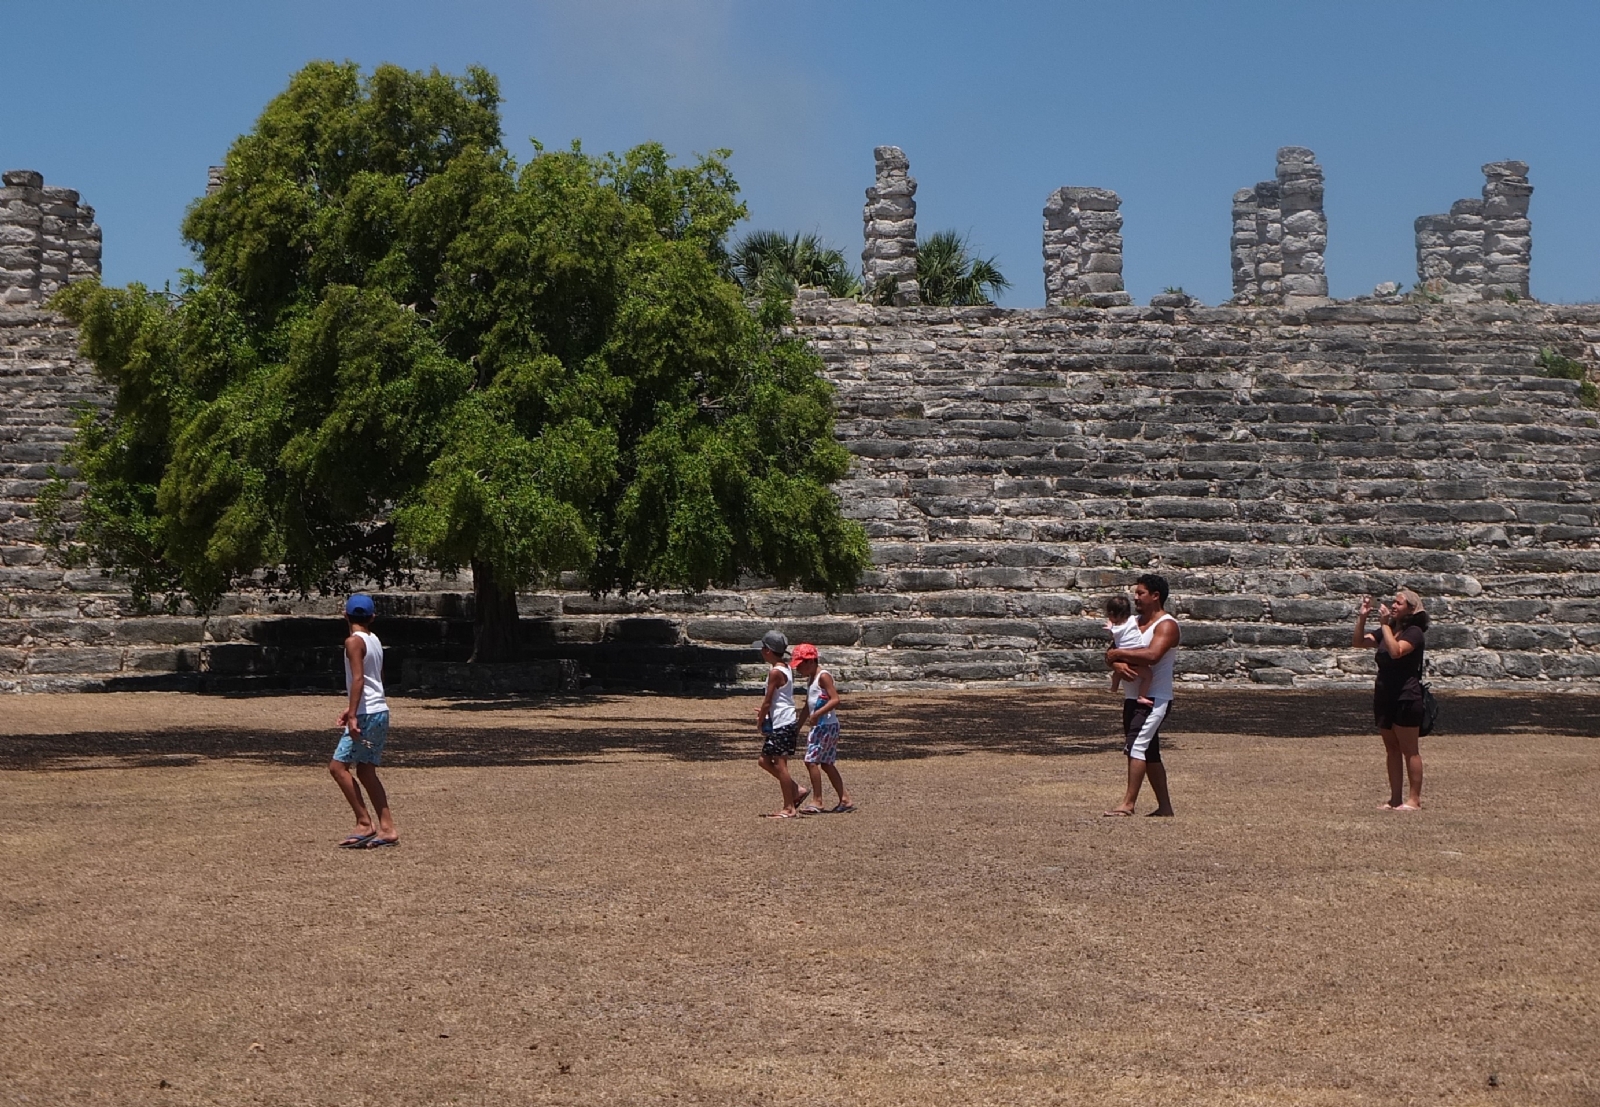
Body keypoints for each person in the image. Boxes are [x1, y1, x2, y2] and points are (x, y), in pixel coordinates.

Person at [1102, 574, 1180, 818]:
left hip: (1154, 698)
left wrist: (1117, 656)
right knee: (1150, 752)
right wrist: (1116, 664)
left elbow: (1152, 655)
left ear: (1155, 596)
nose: (1135, 597)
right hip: (1132, 697)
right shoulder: (1132, 622)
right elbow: (1111, 653)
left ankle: (1128, 804)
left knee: (1136, 746)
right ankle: (1165, 808)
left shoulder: (1167, 625)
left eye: (1140, 593)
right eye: (1135, 593)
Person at [330, 593, 398, 848]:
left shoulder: (352, 642)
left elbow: (359, 679)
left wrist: (354, 714)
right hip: (379, 709)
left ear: (345, 615)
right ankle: (387, 828)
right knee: (366, 770)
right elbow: (376, 678)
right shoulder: (375, 640)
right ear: (372, 617)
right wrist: (351, 709)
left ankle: (364, 823)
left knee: (337, 767)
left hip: (367, 712)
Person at [1354, 589, 1430, 811]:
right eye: (1393, 603)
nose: (1393, 606)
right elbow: (1358, 642)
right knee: (1392, 748)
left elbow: (1397, 651)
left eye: (1399, 603)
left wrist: (1385, 625)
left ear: (1411, 609)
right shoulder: (1388, 629)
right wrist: (1363, 618)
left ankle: (1414, 799)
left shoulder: (1414, 632)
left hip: (1406, 695)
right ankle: (1395, 798)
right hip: (1384, 693)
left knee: (1409, 749)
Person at [792, 643, 853, 814]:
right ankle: (845, 799)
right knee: (826, 764)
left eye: (800, 665)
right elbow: (807, 705)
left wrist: (817, 714)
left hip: (825, 726)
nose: (798, 670)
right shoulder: (811, 678)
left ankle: (817, 801)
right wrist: (798, 726)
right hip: (821, 725)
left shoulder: (823, 677)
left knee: (811, 761)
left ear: (810, 661)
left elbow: (835, 699)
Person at [753, 629, 808, 819]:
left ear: (768, 650)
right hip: (783, 720)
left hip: (782, 723)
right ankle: (795, 789)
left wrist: (761, 720)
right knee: (764, 760)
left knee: (780, 764)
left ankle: (789, 807)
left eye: (763, 648)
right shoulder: (785, 668)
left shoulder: (776, 672)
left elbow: (768, 700)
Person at [1104, 594, 1154, 706]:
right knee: (1148, 675)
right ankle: (1142, 695)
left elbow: (1113, 636)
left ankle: (1114, 687)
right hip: (1137, 656)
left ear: (1112, 614)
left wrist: (1110, 627)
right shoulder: (1133, 620)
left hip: (1124, 658)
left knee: (1117, 673)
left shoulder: (1116, 629)